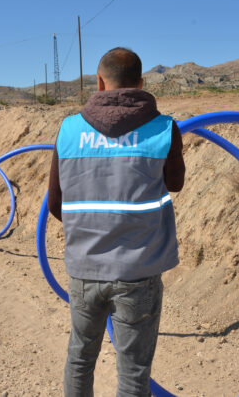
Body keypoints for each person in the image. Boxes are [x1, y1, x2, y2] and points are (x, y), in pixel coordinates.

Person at [47, 47, 185, 396]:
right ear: (140, 83)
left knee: (80, 357)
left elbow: (55, 204)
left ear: (99, 82)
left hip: (85, 268)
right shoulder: (165, 128)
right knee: (134, 371)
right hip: (138, 272)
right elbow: (175, 183)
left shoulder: (69, 129)